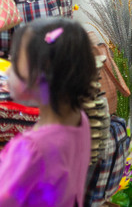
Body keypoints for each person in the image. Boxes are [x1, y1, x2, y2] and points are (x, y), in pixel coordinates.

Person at [0, 18, 96, 206]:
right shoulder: (79, 119)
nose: (8, 71)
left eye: (14, 61)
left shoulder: (31, 148)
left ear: (43, 71)